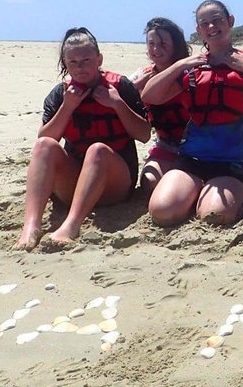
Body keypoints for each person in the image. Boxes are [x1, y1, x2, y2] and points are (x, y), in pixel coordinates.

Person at [140, 0, 243, 226]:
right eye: (204, 23)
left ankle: (235, 196)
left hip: (235, 162)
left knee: (214, 217)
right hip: (192, 158)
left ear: (230, 22)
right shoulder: (193, 66)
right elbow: (150, 96)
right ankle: (197, 193)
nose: (211, 27)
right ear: (199, 30)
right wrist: (179, 65)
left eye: (217, 20)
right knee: (162, 211)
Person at [14, 27, 151, 250]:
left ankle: (71, 225)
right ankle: (31, 225)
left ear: (99, 59)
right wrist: (67, 107)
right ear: (65, 64)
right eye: (73, 62)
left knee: (97, 150)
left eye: (87, 60)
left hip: (115, 185)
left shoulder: (121, 88)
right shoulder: (61, 94)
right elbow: (46, 138)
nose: (81, 67)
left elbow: (144, 135)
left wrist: (117, 104)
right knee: (43, 145)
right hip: (74, 183)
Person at [130, 17, 192, 197]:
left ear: (176, 44)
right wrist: (135, 87)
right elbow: (119, 97)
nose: (156, 49)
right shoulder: (142, 75)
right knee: (149, 182)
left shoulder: (190, 74)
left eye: (163, 43)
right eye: (151, 44)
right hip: (165, 145)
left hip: (195, 146)